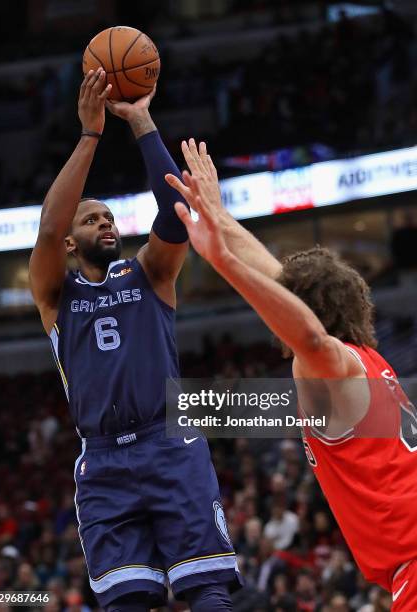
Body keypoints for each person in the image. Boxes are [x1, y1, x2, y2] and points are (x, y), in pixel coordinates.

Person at [168, 138, 417, 612]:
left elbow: (308, 334)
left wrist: (224, 263)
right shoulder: (370, 359)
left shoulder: (334, 368)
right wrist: (218, 217)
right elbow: (285, 283)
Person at [29, 69, 241, 612]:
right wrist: (90, 134)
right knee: (126, 602)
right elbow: (49, 230)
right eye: (92, 219)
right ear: (73, 245)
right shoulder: (56, 293)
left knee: (207, 590)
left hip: (168, 441)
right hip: (102, 461)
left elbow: (176, 217)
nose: (106, 224)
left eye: (109, 217)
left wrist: (142, 122)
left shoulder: (150, 273)